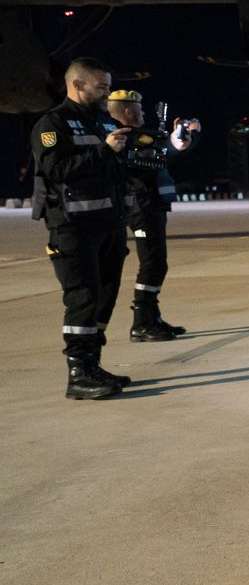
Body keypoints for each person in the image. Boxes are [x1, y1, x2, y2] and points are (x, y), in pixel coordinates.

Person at [31, 57, 134, 399]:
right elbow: (56, 169)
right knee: (83, 299)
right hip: (73, 228)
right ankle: (78, 374)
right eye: (101, 86)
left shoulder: (102, 120)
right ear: (77, 85)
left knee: (105, 296)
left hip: (108, 224)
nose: (107, 91)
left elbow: (113, 167)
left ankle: (93, 363)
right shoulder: (53, 123)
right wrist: (105, 152)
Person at [105, 89, 200, 340]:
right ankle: (141, 322)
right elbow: (156, 155)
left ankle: (151, 316)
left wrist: (183, 139)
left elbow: (165, 152)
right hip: (140, 206)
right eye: (139, 108)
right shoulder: (122, 137)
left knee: (157, 263)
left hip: (151, 205)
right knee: (152, 263)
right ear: (128, 111)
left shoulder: (140, 137)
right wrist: (174, 143)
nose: (144, 112)